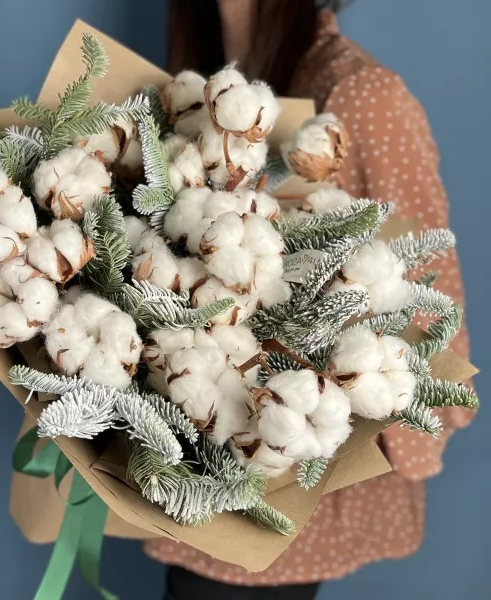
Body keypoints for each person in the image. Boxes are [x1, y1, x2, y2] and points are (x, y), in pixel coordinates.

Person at [146, 1, 474, 599]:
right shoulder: (195, 82)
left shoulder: (361, 95)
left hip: (278, 490)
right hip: (189, 468)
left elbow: (430, 306)